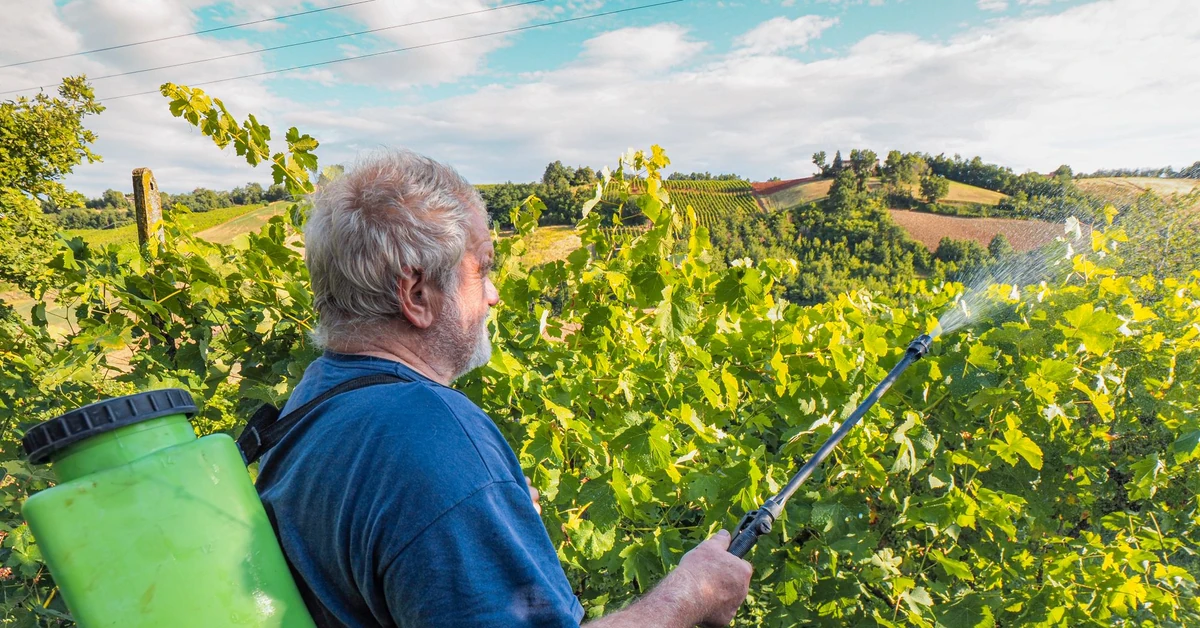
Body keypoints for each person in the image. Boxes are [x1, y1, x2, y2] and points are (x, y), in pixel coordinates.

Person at [255, 150, 753, 627]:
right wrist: (693, 593)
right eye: (483, 268)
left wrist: (478, 514)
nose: (493, 295)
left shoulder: (317, 398)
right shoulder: (432, 436)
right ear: (417, 294)